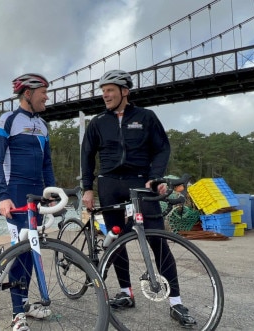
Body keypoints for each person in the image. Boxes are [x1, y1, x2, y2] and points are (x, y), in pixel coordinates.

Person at [80, 69, 197, 327]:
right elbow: (87, 156)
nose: (105, 95)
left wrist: (155, 177)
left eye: (110, 90)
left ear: (125, 91)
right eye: (103, 91)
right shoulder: (98, 122)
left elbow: (162, 148)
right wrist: (87, 188)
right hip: (109, 184)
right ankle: (126, 292)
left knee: (157, 239)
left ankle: (176, 302)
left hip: (140, 181)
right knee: (116, 241)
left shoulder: (146, 117)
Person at [0, 73, 55, 331]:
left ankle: (25, 302)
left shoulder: (43, 125)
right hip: (15, 194)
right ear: (28, 93)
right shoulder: (8, 119)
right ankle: (18, 315)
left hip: (37, 194)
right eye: (43, 92)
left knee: (33, 250)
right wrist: (3, 195)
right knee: (21, 251)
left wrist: (51, 192)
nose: (47, 97)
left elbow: (47, 163)